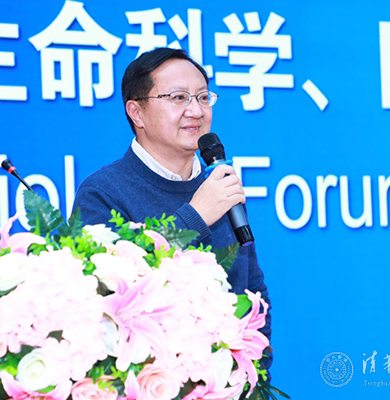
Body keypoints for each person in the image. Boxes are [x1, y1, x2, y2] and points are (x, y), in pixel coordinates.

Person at [72, 48, 272, 369]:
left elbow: (253, 295)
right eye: (179, 98)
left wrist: (251, 375)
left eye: (203, 97)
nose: (196, 110)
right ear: (136, 113)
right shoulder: (102, 193)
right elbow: (106, 296)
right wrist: (195, 217)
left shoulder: (218, 184)